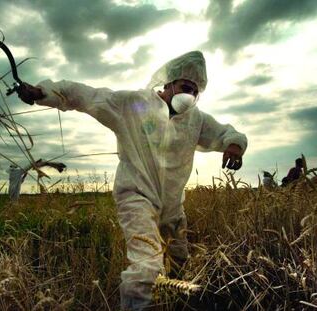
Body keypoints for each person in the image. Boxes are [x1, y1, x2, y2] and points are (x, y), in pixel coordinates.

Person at [16, 51, 247, 310]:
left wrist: (234, 145)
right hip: (136, 196)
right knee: (146, 265)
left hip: (172, 208)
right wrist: (43, 92)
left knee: (179, 265)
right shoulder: (134, 104)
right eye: (185, 87)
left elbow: (227, 132)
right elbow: (88, 96)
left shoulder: (196, 120)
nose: (190, 95)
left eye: (195, 91)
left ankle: (171, 305)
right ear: (169, 83)